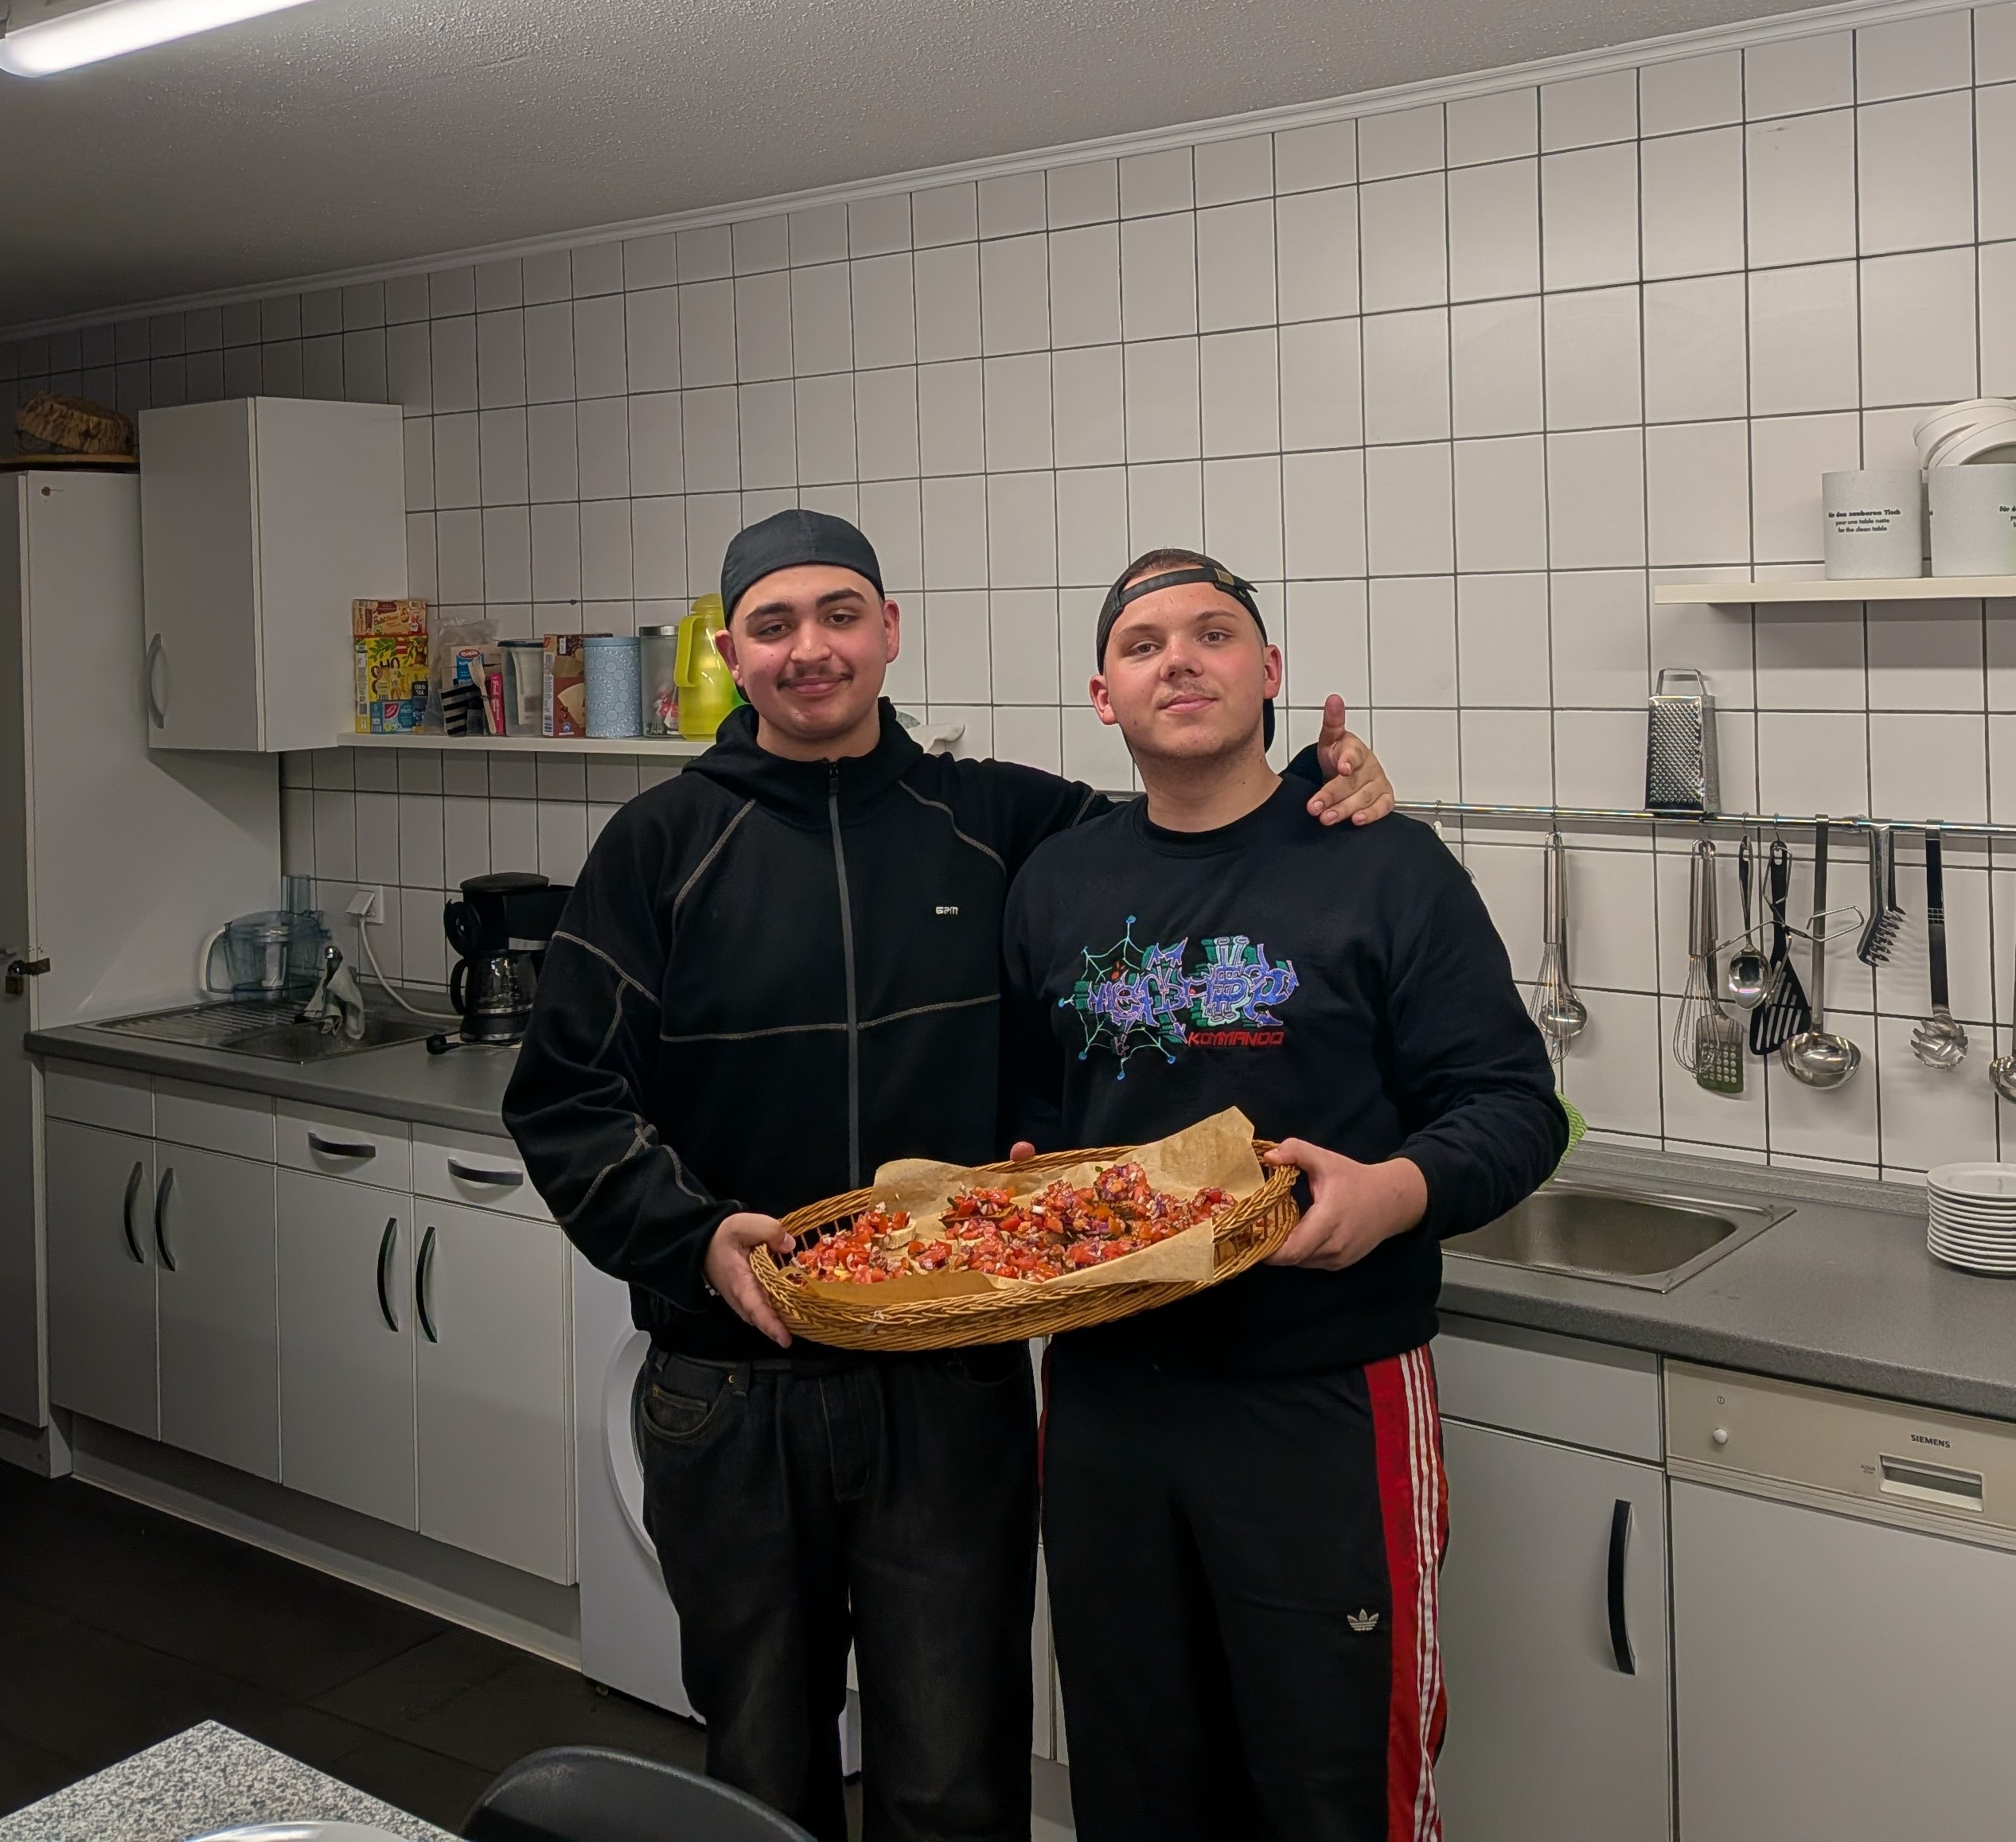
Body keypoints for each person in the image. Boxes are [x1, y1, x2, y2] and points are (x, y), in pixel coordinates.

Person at [500, 509, 1396, 1842]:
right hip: (728, 1383)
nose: (812, 650)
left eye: (841, 614)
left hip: (950, 1380)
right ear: (732, 655)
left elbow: (1194, 809)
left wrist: (1339, 789)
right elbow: (562, 1100)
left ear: (890, 632)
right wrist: (692, 1239)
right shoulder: (659, 844)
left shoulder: (1002, 823)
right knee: (757, 1761)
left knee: (951, 1771)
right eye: (774, 624)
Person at [1000, 547, 1566, 1842]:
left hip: (1320, 1395)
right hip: (1102, 1406)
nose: (1179, 660)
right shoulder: (1056, 884)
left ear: (1270, 675)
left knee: (1333, 1786)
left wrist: (1394, 1193)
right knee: (1139, 1782)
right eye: (1143, 643)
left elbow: (1511, 1107)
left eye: (1211, 634)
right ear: (1103, 697)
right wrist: (1031, 1181)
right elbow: (1037, 1110)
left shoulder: (1383, 864)